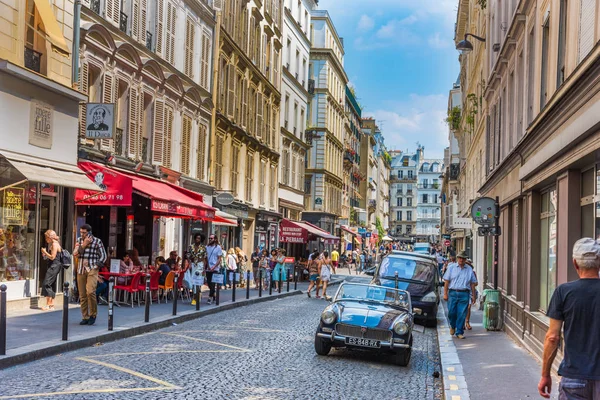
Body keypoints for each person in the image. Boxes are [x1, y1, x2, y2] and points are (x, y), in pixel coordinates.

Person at [538, 238, 600, 399]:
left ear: (575, 263)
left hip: (575, 376)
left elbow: (552, 337)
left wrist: (545, 374)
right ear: (599, 262)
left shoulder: (564, 292)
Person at [73, 224, 107, 326]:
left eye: (84, 233)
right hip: (81, 269)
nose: (82, 234)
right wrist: (84, 244)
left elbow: (104, 256)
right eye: (81, 232)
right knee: (82, 294)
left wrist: (97, 265)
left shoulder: (97, 241)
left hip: (92, 268)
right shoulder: (79, 241)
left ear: (89, 232)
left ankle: (93, 314)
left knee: (90, 291)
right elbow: (75, 254)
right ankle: (85, 316)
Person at [443, 251, 477, 339]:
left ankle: (459, 332)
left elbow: (473, 283)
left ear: (465, 259)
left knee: (462, 313)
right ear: (457, 258)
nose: (461, 260)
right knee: (451, 312)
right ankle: (452, 326)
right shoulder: (451, 267)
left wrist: (473, 296)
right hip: (453, 292)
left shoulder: (469, 269)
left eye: (463, 258)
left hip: (464, 293)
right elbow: (446, 281)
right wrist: (445, 294)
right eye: (460, 258)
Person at [40, 230, 62, 311]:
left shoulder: (54, 244)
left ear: (49, 237)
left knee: (47, 284)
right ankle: (51, 305)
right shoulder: (55, 244)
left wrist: (45, 252)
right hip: (55, 266)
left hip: (54, 266)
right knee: (51, 284)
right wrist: (45, 254)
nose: (46, 240)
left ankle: (48, 305)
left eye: (46, 238)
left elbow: (52, 257)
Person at [205, 234, 223, 305]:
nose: (210, 239)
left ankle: (210, 298)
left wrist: (214, 266)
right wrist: (208, 266)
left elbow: (219, 259)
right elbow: (205, 258)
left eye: (211, 238)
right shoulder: (207, 247)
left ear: (215, 239)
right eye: (209, 238)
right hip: (208, 268)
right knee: (209, 283)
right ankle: (214, 294)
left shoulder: (218, 248)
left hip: (215, 268)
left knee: (213, 284)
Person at [464, 258, 478, 331]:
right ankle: (462, 323)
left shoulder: (472, 273)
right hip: (462, 291)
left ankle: (467, 322)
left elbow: (476, 283)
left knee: (468, 307)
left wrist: (471, 284)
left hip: (469, 291)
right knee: (462, 309)